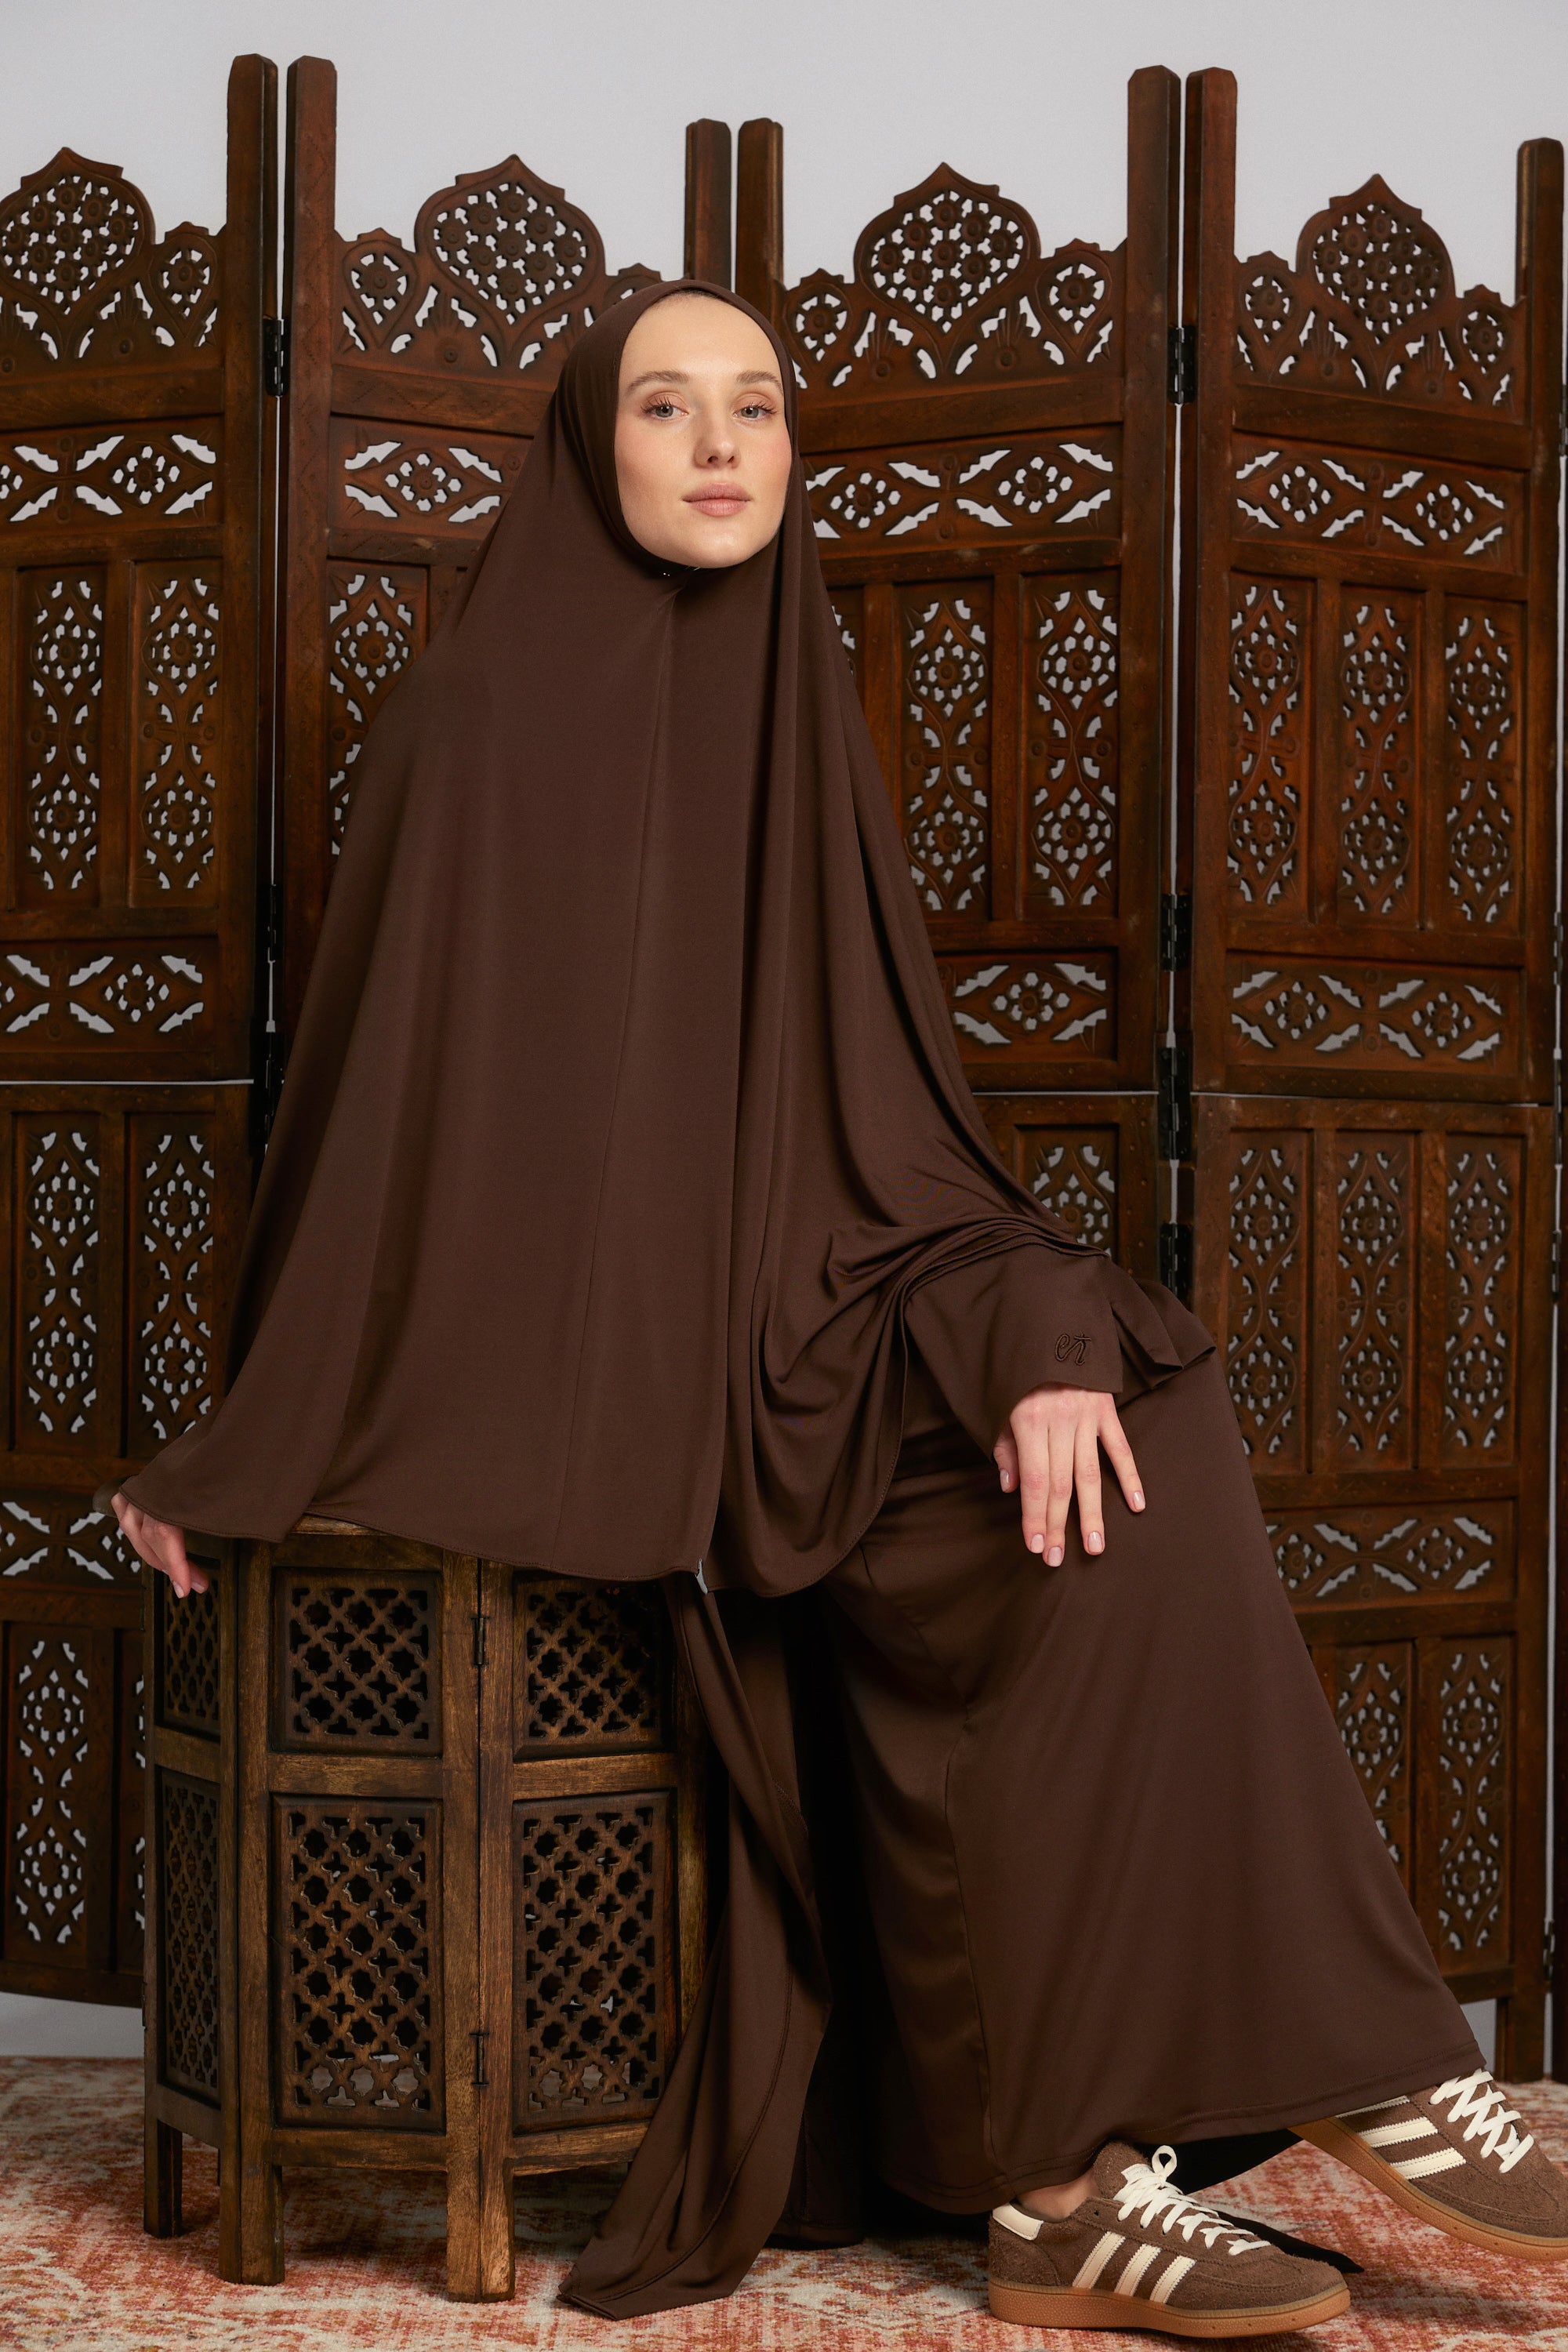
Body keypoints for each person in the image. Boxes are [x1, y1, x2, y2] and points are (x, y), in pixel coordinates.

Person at [101, 280, 1568, 2333]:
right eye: (664, 407)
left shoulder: (801, 714)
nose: (722, 447)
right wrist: (249, 1436)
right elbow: (375, 1129)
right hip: (590, 1376)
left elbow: (887, 1136)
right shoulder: (470, 729)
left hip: (810, 1329)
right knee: (1053, 1483)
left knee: (1131, 1434)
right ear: (586, 444)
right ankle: (1248, 2108)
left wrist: (1036, 1338)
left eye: (759, 407)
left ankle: (1134, 2168)